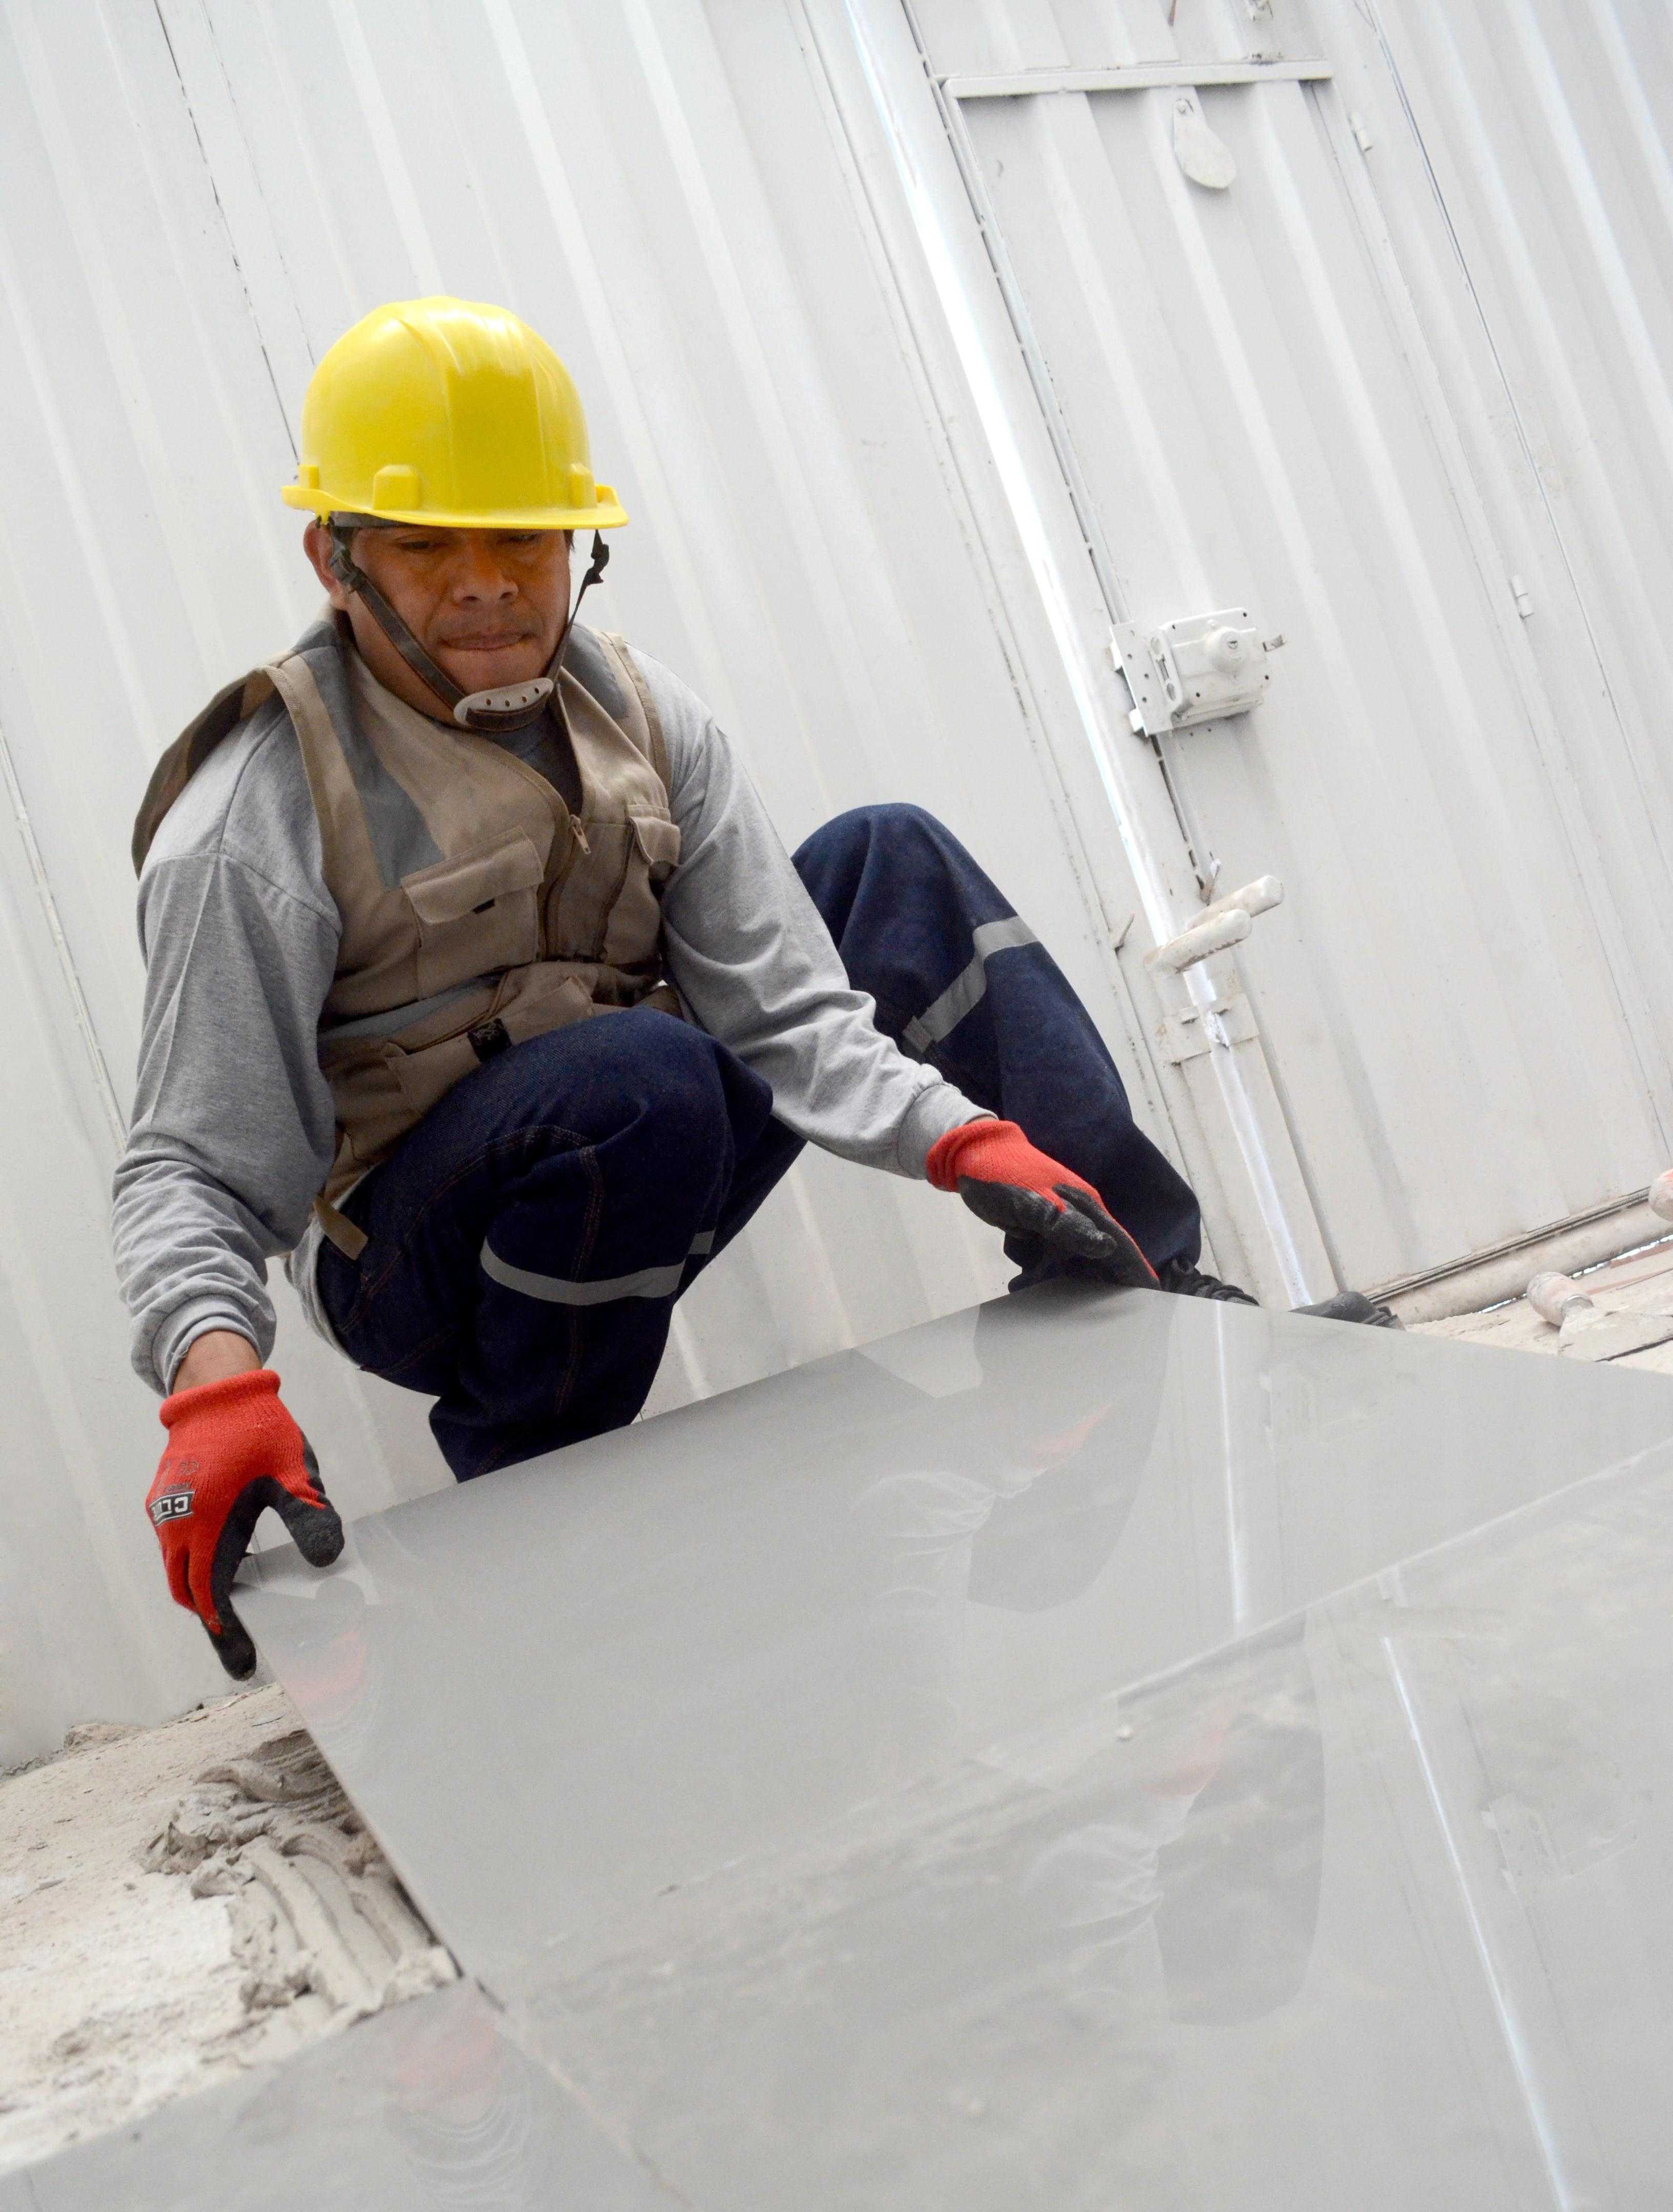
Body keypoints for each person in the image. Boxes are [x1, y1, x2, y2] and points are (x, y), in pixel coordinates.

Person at [115, 297, 1385, 1680]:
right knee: (637, 1082)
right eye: (427, 545)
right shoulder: (255, 815)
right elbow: (190, 1164)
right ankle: (541, 1516)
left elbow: (786, 1010)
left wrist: (965, 1140)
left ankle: (1141, 1295)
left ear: (576, 548)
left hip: (633, 1126)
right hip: (416, 1261)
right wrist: (214, 1387)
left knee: (892, 862)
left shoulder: (644, 715)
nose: (485, 583)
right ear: (336, 558)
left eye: (522, 538)